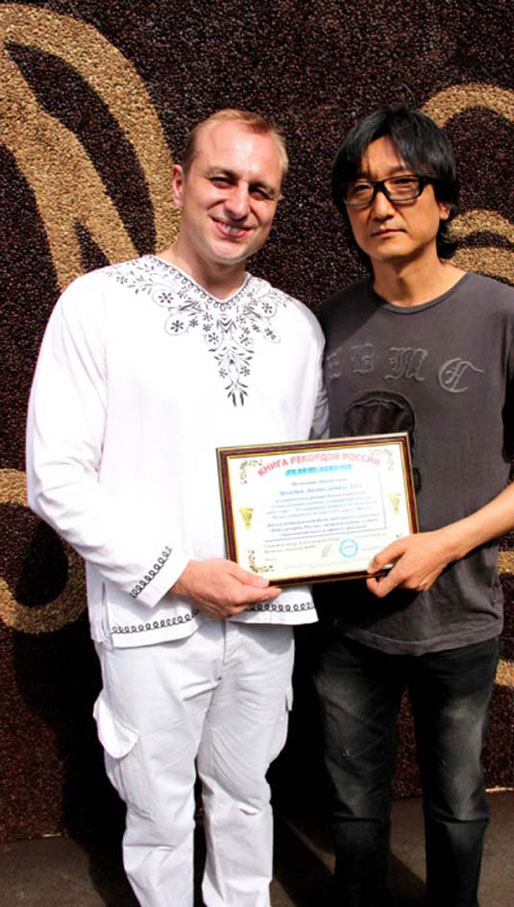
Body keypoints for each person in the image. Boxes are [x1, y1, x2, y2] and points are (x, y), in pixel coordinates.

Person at [26, 109, 327, 907]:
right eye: (222, 178)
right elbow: (54, 477)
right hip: (150, 612)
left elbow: (312, 472)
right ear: (178, 183)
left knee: (248, 797)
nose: (239, 203)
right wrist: (181, 574)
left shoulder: (298, 329)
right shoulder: (98, 305)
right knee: (157, 815)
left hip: (266, 615)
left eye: (260, 189)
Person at [313, 106, 514, 907]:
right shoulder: (320, 323)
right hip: (346, 617)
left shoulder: (505, 315)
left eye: (402, 185)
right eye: (360, 190)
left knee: (457, 803)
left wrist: (442, 543)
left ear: (443, 200)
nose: (380, 206)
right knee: (351, 811)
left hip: (459, 612)